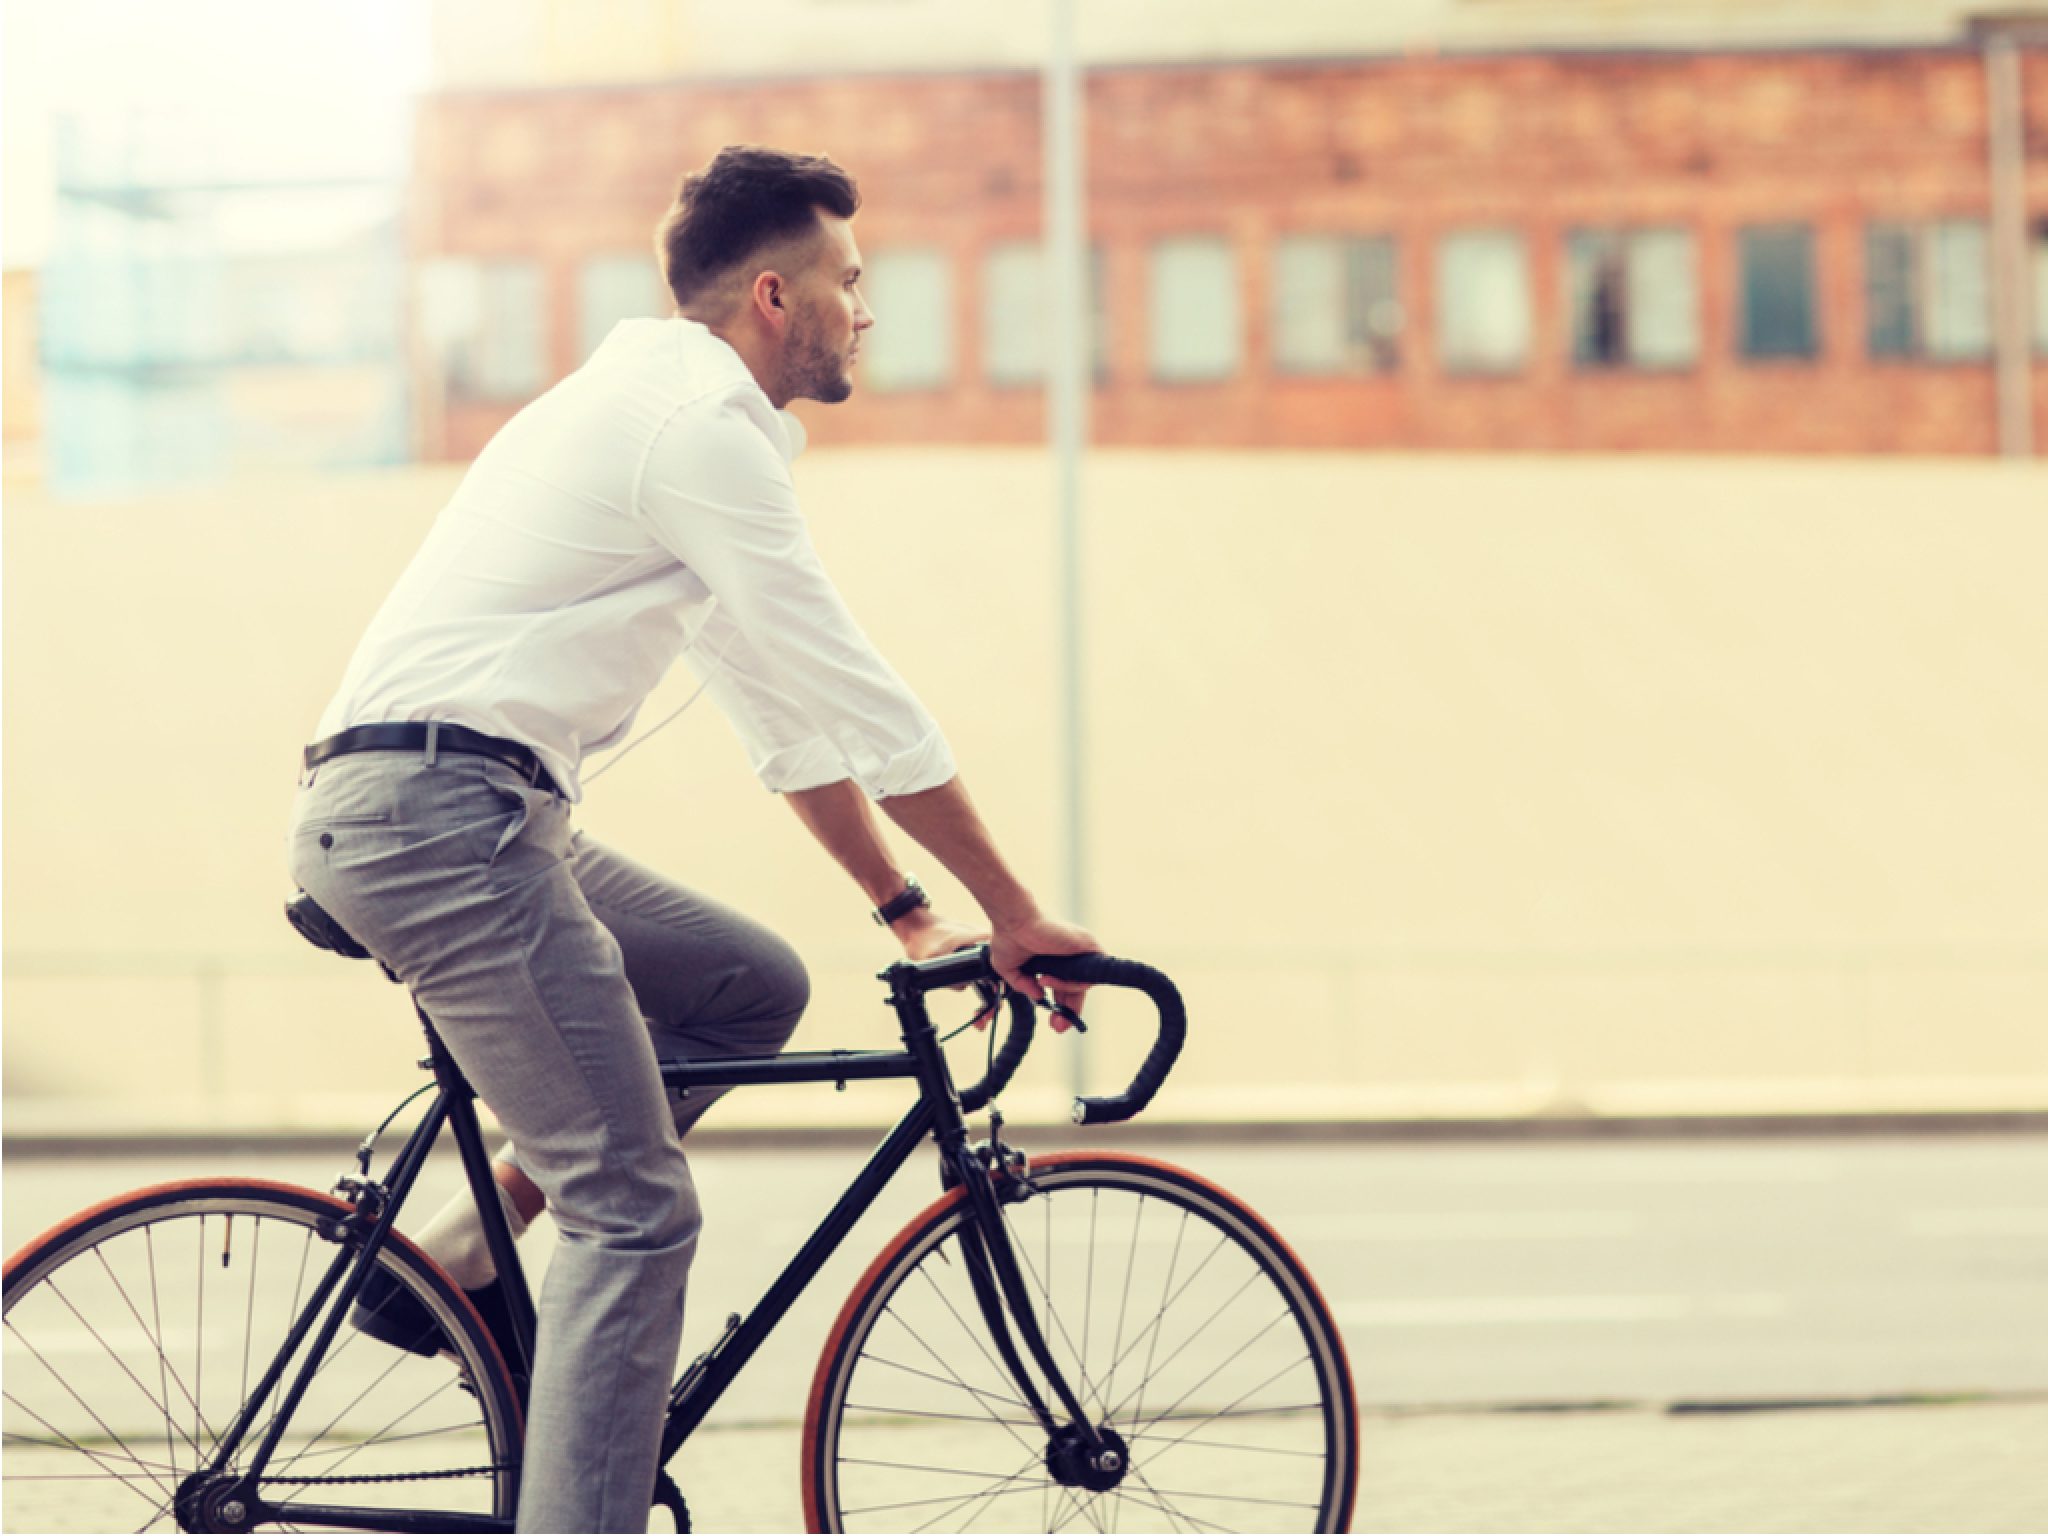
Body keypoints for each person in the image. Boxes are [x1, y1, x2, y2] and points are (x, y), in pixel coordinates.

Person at [287, 144, 1098, 1534]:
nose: (867, 308)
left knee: (744, 986)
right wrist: (1018, 910)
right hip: (440, 821)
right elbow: (856, 691)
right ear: (775, 296)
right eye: (851, 280)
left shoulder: (653, 415)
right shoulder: (696, 431)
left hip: (463, 809)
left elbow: (781, 707)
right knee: (634, 1210)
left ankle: (465, 1258)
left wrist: (907, 909)